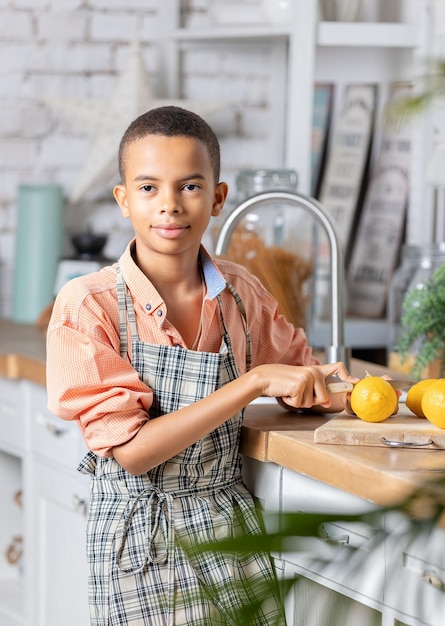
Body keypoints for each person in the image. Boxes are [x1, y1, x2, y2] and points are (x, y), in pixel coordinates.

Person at [46, 105, 357, 626]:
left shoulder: (242, 294)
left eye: (189, 186)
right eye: (148, 188)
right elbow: (133, 452)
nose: (169, 205)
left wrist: (353, 394)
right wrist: (253, 382)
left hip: (229, 521)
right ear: (123, 199)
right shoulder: (87, 305)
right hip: (140, 536)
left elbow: (303, 377)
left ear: (217, 198)